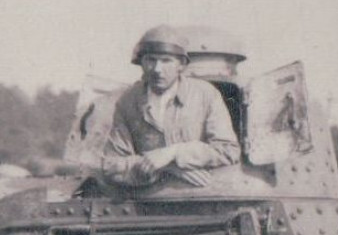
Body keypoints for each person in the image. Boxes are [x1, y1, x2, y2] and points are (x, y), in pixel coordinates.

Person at [96, 25, 240, 188]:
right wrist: (167, 167)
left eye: (166, 61)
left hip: (200, 196)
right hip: (146, 201)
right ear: (141, 63)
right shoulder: (128, 101)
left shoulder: (205, 95)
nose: (157, 69)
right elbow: (111, 166)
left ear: (181, 64)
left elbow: (228, 150)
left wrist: (174, 153)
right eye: (151, 60)